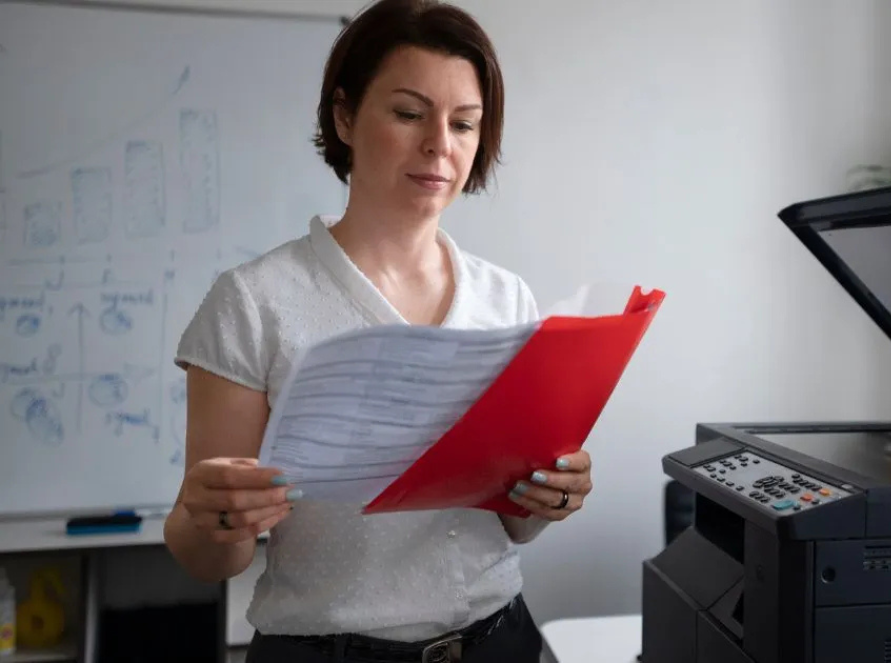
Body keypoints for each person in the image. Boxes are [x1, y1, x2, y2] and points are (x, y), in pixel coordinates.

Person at [161, 1, 594, 660]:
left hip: (499, 639)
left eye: (464, 123)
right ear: (344, 117)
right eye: (409, 113)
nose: (439, 146)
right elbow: (209, 557)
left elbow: (515, 527)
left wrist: (548, 494)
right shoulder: (254, 301)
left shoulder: (506, 298)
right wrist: (209, 512)